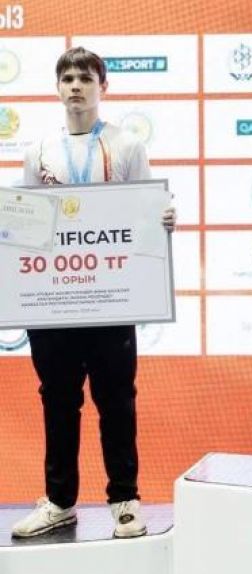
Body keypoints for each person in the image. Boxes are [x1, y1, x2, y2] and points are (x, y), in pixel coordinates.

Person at [11, 47, 176, 539]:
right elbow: (28, 228)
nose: (76, 86)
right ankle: (60, 501)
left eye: (85, 78)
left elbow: (147, 214)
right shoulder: (39, 151)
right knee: (58, 403)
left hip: (110, 301)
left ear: (103, 86)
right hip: (55, 303)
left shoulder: (126, 145)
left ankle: (124, 500)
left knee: (116, 401)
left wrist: (165, 219)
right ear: (57, 88)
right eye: (67, 78)